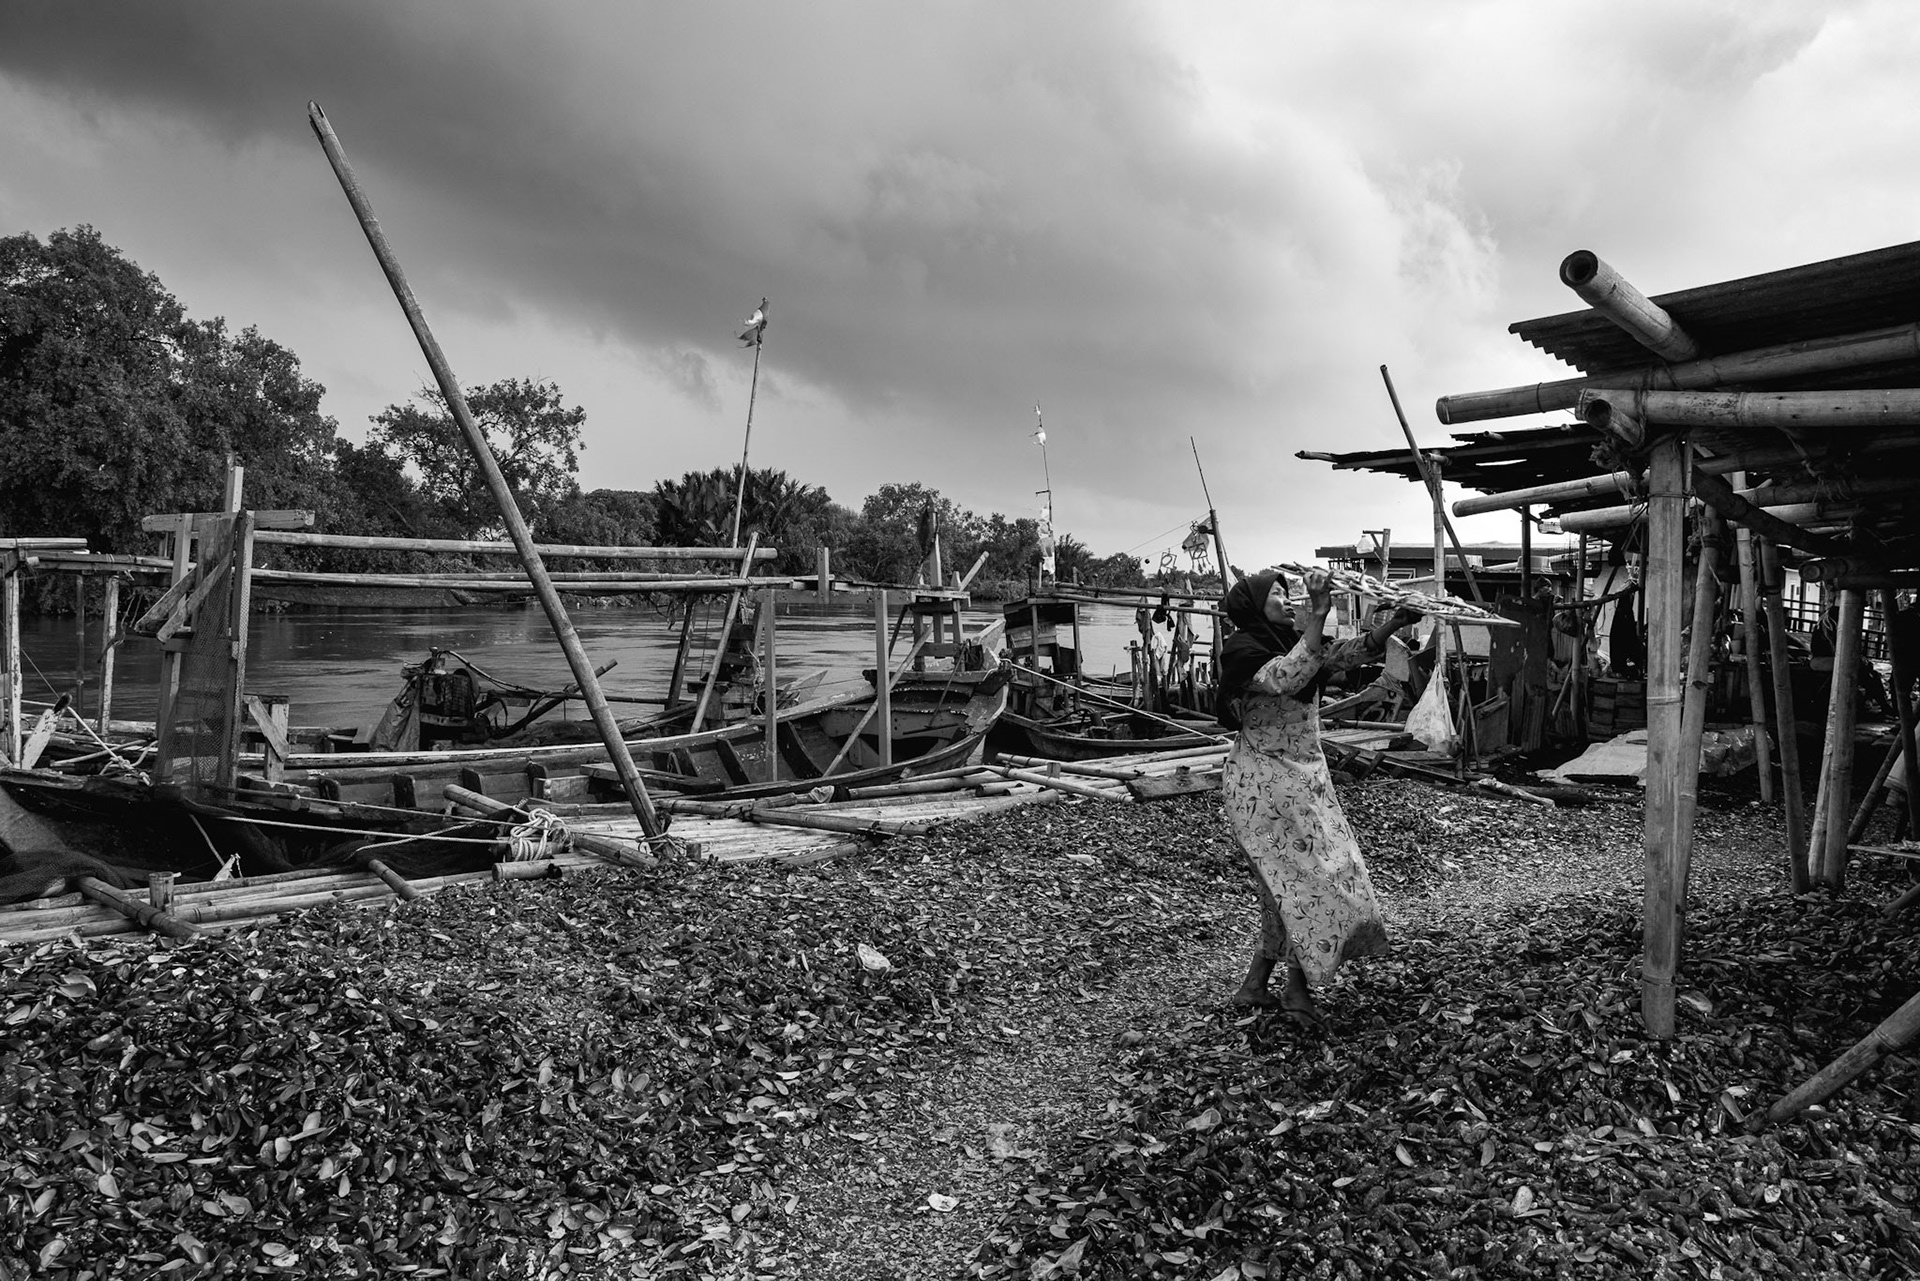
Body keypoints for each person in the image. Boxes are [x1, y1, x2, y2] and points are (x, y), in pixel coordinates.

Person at [1217, 568, 1423, 1025]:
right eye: (1277, 594)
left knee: (1285, 885)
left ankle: (1255, 985)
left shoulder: (1288, 640)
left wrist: (1394, 622)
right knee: (1310, 884)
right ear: (1253, 606)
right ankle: (1296, 991)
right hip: (1264, 786)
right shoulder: (1244, 651)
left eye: (1288, 592)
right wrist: (1319, 611)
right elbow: (1286, 677)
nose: (1287, 599)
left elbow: (1343, 655)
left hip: (1306, 780)